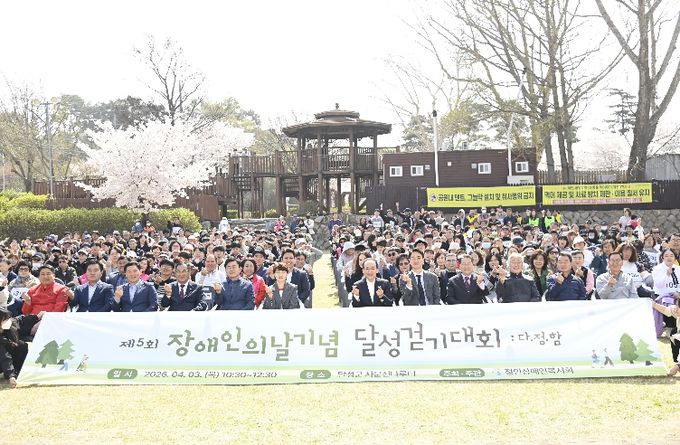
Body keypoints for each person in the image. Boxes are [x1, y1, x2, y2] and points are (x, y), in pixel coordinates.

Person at [1, 307, 34, 388]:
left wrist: (37, 316)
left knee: (21, 345)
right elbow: (4, 356)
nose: (8, 321)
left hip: (5, 357)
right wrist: (11, 375)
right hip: (2, 360)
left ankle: (19, 370)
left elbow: (19, 320)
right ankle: (11, 373)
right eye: (5, 319)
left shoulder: (10, 324)